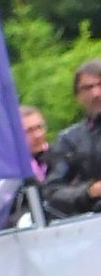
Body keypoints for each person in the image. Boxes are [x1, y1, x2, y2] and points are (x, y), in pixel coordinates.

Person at [44, 58, 101, 219]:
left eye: (100, 84)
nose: (96, 93)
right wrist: (90, 191)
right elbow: (53, 192)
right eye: (87, 88)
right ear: (78, 96)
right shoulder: (69, 140)